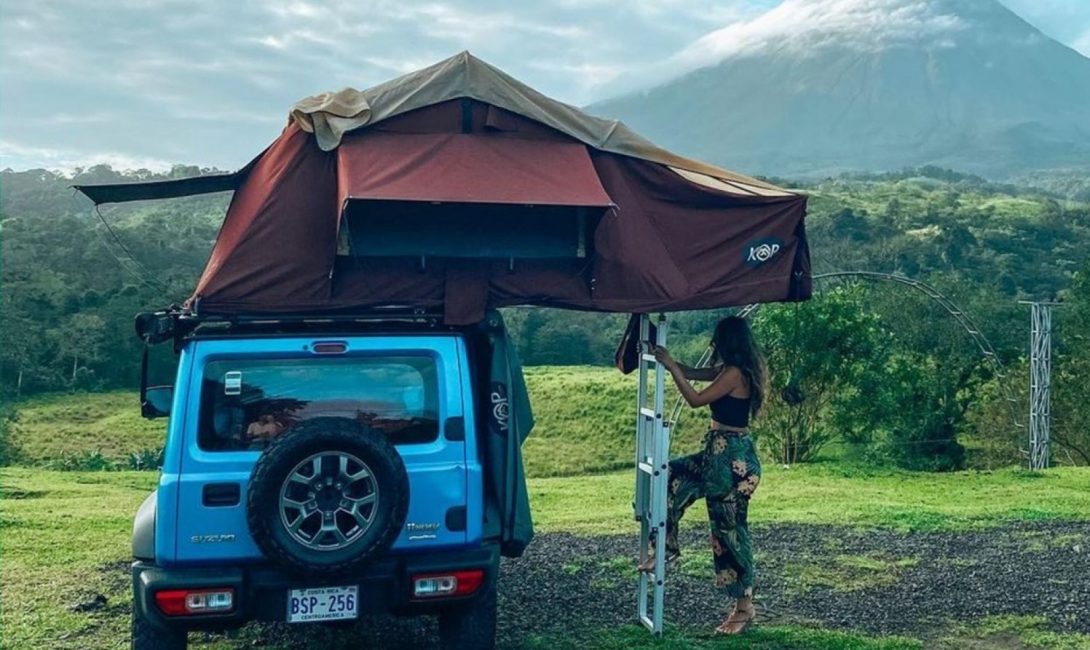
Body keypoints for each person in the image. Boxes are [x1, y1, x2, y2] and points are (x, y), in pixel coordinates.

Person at [640, 316, 766, 635]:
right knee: (669, 476)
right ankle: (667, 548)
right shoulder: (728, 369)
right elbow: (696, 373)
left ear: (727, 341)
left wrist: (671, 367)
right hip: (717, 456)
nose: (713, 345)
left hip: (732, 462)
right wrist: (670, 361)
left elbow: (695, 400)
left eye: (716, 340)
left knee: (729, 532)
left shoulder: (735, 373)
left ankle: (743, 607)